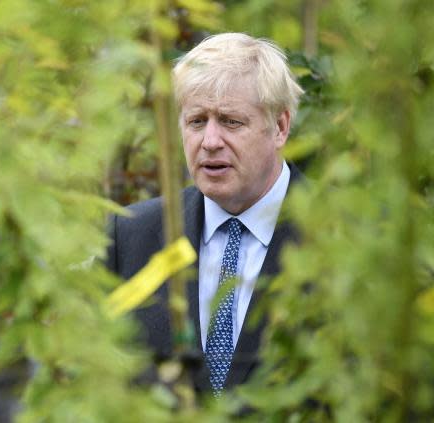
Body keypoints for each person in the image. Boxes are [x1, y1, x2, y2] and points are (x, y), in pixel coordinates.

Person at [106, 33, 305, 395]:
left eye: (230, 122)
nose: (210, 141)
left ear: (279, 127)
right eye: (197, 121)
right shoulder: (133, 235)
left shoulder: (339, 234)